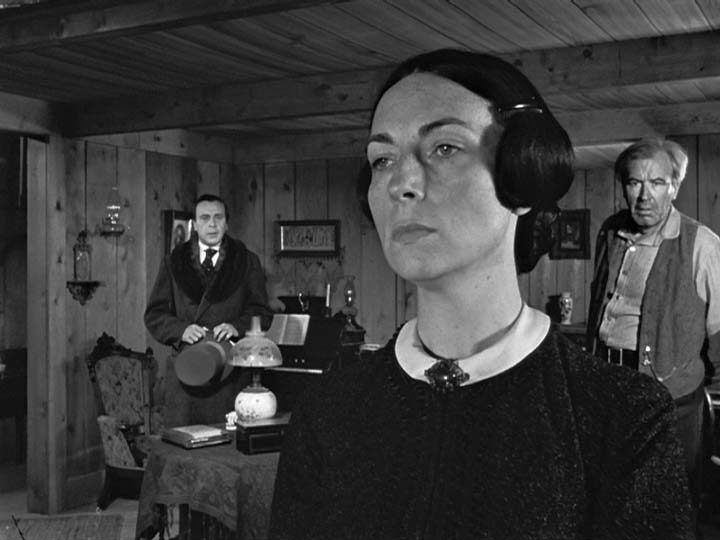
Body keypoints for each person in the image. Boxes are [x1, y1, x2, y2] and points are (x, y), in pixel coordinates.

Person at [268, 50, 693, 539]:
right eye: (382, 159)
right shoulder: (328, 410)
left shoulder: (624, 418)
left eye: (445, 148)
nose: (401, 183)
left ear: (524, 175)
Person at [587, 138, 720, 519]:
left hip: (670, 396)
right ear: (623, 187)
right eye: (634, 183)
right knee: (614, 498)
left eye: (657, 183)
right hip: (609, 385)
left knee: (670, 502)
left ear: (674, 187)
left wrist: (688, 380)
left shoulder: (701, 244)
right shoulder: (611, 231)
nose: (644, 196)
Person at [145, 193, 273, 427]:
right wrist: (181, 330)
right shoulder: (174, 262)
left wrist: (237, 327)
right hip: (187, 372)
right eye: (204, 218)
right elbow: (154, 315)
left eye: (218, 217)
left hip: (229, 374)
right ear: (194, 224)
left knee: (226, 442)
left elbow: (262, 313)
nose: (212, 225)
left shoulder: (246, 261)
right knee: (185, 441)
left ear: (227, 223)